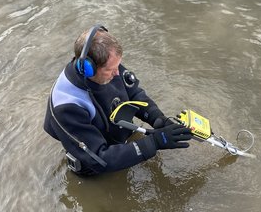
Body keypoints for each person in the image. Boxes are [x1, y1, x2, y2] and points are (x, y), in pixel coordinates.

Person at [44, 24, 192, 176]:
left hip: (120, 137)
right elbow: (99, 158)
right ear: (88, 68)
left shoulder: (109, 65)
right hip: (96, 166)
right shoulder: (67, 106)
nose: (117, 73)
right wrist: (154, 142)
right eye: (111, 70)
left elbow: (134, 93)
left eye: (118, 66)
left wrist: (157, 118)